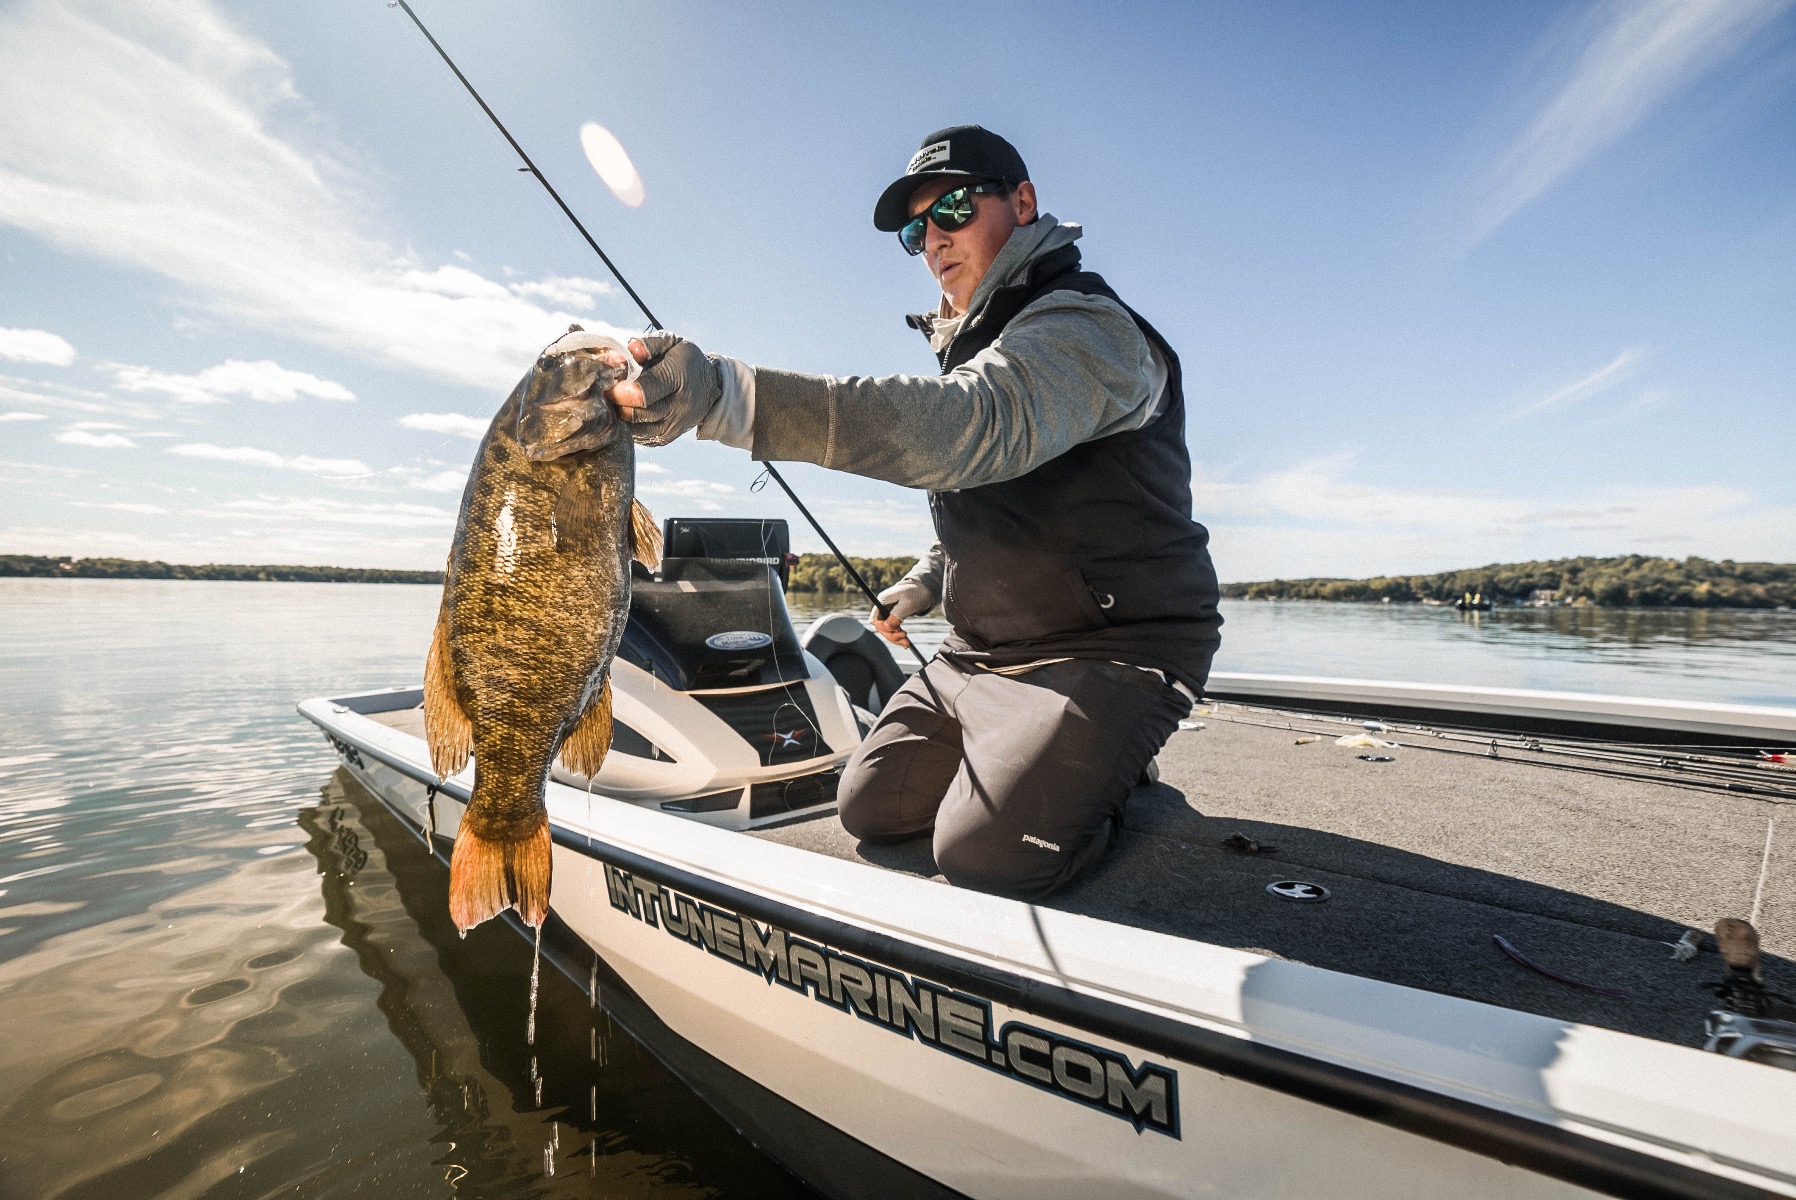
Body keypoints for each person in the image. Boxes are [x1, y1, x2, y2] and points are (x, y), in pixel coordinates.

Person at [606, 125, 1221, 900]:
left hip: (1110, 649)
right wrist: (927, 580)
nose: (933, 240)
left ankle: (1111, 766)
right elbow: (1002, 494)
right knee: (870, 809)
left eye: (953, 209)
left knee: (988, 856)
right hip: (979, 654)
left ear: (1022, 202)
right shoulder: (979, 344)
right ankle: (1051, 761)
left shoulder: (1088, 329)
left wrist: (729, 396)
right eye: (914, 231)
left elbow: (974, 427)